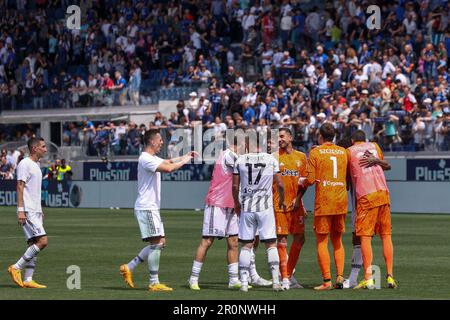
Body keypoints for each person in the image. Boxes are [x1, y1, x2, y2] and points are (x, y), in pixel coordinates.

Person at [188, 134, 271, 290]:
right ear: (239, 144)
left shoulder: (232, 156)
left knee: (233, 242)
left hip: (232, 204)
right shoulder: (229, 155)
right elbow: (248, 170)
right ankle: (193, 278)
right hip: (217, 203)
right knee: (207, 241)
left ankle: (233, 279)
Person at [119, 129, 197, 291]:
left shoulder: (152, 158)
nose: (162, 142)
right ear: (152, 142)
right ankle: (154, 282)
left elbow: (168, 161)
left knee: (160, 243)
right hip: (146, 207)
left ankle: (130, 267)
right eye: (160, 140)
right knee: (156, 243)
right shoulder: (145, 158)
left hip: (151, 207)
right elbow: (168, 168)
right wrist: (185, 161)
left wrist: (185, 156)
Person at [233, 133, 286, 292]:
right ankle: (276, 281)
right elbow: (280, 184)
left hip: (247, 208)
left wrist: (237, 202)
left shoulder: (240, 160)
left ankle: (243, 283)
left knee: (246, 245)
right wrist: (282, 200)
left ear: (248, 144)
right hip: (265, 208)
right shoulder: (271, 159)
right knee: (271, 244)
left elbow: (235, 187)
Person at [346, 130, 397, 289]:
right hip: (383, 193)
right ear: (365, 140)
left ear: (352, 140)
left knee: (365, 237)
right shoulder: (375, 146)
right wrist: (377, 160)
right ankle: (390, 277)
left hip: (366, 196)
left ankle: (368, 278)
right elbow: (387, 166)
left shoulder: (349, 151)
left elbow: (346, 179)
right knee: (386, 235)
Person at [303, 123, 348, 290]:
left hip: (324, 202)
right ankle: (340, 277)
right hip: (341, 201)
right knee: (338, 241)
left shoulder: (315, 152)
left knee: (322, 241)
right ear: (334, 137)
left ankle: (327, 281)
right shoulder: (343, 152)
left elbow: (310, 180)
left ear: (320, 136)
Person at [8, 137, 48, 289]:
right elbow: (20, 186)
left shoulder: (36, 164)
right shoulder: (25, 163)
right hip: (27, 210)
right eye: (43, 146)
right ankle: (16, 267)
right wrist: (20, 210)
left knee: (33, 244)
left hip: (35, 210)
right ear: (35, 148)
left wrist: (40, 209)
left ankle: (28, 279)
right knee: (43, 241)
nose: (45, 149)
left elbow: (34, 190)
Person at [272, 127, 308, 290]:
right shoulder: (273, 157)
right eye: (277, 137)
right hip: (279, 205)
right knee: (282, 240)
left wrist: (299, 200)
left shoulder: (301, 157)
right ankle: (287, 277)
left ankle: (287, 273)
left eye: (282, 136)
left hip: (296, 205)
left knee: (300, 238)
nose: (279, 139)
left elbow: (304, 183)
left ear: (290, 137)